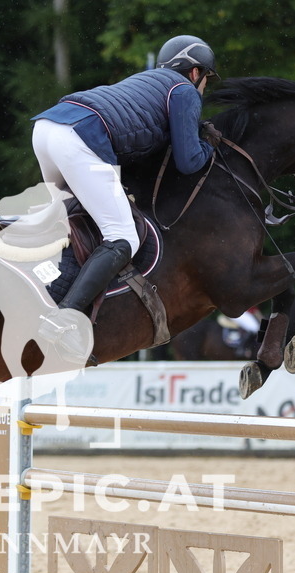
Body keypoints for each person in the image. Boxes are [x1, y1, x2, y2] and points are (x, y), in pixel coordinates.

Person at [32, 35, 222, 362]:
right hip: (80, 137)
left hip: (49, 127)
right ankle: (64, 319)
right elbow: (189, 161)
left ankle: (35, 284)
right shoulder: (184, 91)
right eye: (207, 79)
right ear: (195, 73)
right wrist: (211, 144)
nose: (204, 88)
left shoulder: (147, 80)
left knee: (69, 226)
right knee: (123, 237)